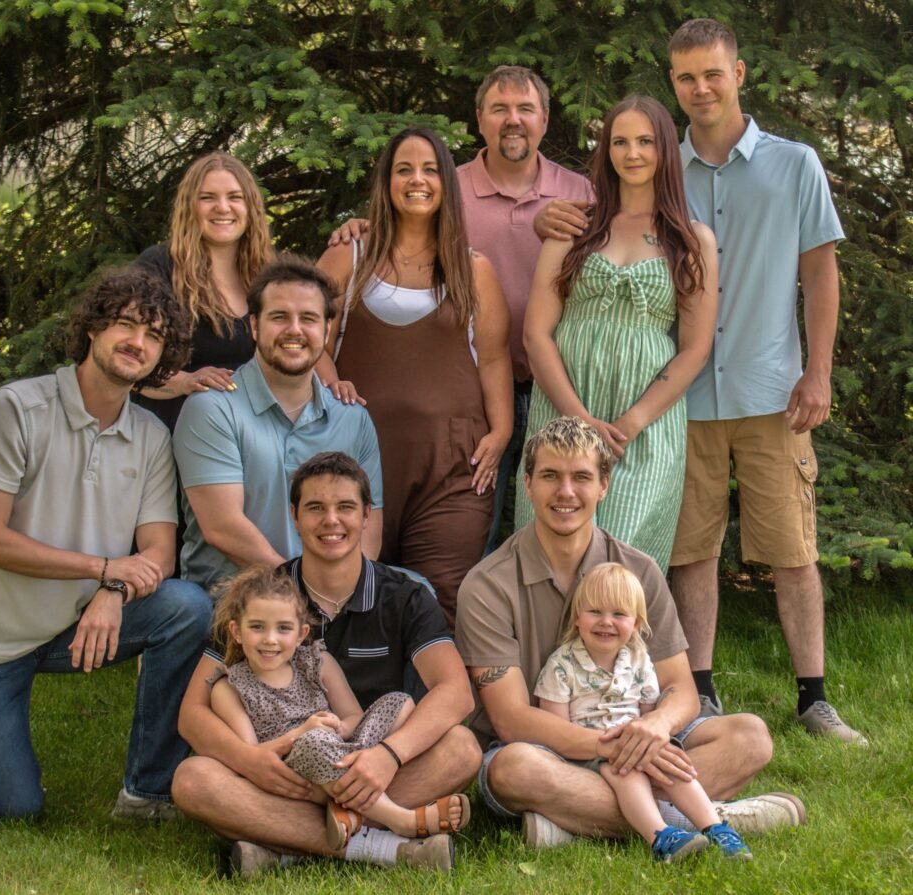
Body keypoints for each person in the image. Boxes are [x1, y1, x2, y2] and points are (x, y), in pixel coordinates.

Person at [535, 21, 862, 743]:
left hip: (767, 388)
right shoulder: (659, 165)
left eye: (712, 74)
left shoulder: (793, 164)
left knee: (792, 548)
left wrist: (818, 369)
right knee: (690, 551)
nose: (700, 88)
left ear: (739, 72)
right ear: (673, 85)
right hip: (683, 404)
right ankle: (701, 688)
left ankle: (813, 696)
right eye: (685, 78)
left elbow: (819, 272)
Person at [0, 268, 213, 821]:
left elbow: (160, 555)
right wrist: (103, 568)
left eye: (154, 335)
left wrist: (113, 590)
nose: (137, 343)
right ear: (92, 329)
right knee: (12, 808)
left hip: (68, 628)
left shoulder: (150, 436)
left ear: (164, 355)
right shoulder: (18, 409)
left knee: (187, 608)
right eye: (125, 324)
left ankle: (147, 792)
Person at [456, 416, 806, 848]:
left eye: (581, 477)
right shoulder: (487, 585)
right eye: (550, 476)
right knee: (513, 769)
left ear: (604, 485)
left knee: (750, 737)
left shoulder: (638, 570)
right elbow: (511, 719)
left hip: (636, 732)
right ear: (527, 484)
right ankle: (709, 818)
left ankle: (572, 824)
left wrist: (657, 725)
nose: (566, 492)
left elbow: (680, 688)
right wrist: (612, 746)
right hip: (543, 750)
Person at [173, 452, 480, 876]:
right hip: (279, 773)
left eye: (345, 507)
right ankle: (386, 844)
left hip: (370, 761)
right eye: (315, 508)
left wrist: (388, 756)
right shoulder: (261, 599)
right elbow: (192, 714)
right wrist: (249, 761)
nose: (330, 521)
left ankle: (283, 846)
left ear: (367, 516)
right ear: (295, 516)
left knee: (462, 749)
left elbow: (456, 693)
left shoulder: (405, 596)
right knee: (192, 780)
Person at [329, 66, 593, 553]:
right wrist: (364, 228)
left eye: (525, 109)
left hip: (558, 385)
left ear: (545, 118)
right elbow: (404, 224)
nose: (513, 120)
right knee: (476, 532)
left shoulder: (579, 193)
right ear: (479, 119)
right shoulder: (449, 190)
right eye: (499, 109)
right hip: (472, 395)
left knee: (562, 523)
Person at [316, 126, 514, 626]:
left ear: (447, 182)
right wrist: (330, 378)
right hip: (357, 461)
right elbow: (306, 338)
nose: (416, 180)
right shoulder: (349, 256)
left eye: (429, 170)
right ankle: (360, 700)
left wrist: (502, 430)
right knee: (355, 590)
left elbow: (493, 358)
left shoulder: (473, 270)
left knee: (441, 596)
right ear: (385, 182)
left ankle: (439, 702)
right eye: (403, 169)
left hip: (450, 466)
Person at [517, 95, 717, 572]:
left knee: (616, 566)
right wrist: (580, 420)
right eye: (620, 142)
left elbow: (695, 349)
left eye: (645, 142)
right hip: (564, 413)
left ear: (666, 150)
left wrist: (630, 423)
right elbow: (536, 335)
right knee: (550, 556)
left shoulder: (691, 239)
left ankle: (620, 650)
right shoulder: (575, 227)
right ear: (605, 150)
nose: (632, 154)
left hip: (642, 428)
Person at [207, 564, 471, 849]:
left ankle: (338, 810)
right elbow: (252, 756)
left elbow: (353, 716)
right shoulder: (229, 687)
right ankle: (400, 819)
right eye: (257, 627)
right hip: (291, 771)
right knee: (313, 742)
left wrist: (341, 727)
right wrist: (302, 733)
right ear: (236, 631)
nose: (270, 639)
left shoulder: (318, 662)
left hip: (346, 752)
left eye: (283, 628)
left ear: (301, 633)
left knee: (399, 701)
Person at [173, 256, 384, 591]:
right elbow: (222, 528)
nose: (295, 330)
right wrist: (302, 594)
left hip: (330, 596)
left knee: (420, 593)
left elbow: (368, 532)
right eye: (280, 317)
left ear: (327, 329)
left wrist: (345, 595)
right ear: (255, 326)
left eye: (309, 318)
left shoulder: (352, 417)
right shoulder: (212, 409)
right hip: (236, 599)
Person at [536, 562, 751, 862]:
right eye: (595, 611)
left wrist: (652, 745)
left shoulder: (638, 660)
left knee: (670, 765)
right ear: (577, 618)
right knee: (626, 771)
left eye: (619, 614)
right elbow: (555, 728)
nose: (606, 622)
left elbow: (648, 713)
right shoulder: (562, 666)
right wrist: (607, 750)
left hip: (635, 743)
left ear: (636, 624)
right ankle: (661, 836)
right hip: (589, 754)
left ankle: (715, 827)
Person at [135, 151, 274, 431]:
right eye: (207, 197)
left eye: (235, 197)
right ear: (189, 206)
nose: (222, 207)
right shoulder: (158, 268)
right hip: (171, 434)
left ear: (250, 207)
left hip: (251, 435)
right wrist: (184, 381)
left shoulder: (270, 273)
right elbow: (130, 360)